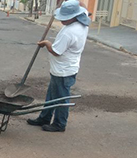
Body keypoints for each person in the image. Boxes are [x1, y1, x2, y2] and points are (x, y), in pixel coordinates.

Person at [27, 0, 90, 132]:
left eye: (65, 18)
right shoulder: (83, 21)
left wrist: (46, 43)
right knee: (51, 95)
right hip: (65, 69)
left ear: (73, 16)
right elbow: (84, 7)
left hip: (63, 71)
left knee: (61, 99)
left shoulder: (70, 32)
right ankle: (44, 117)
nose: (62, 21)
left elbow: (56, 51)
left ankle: (59, 124)